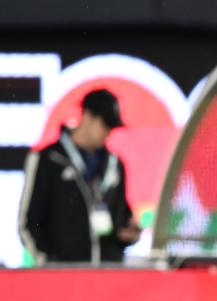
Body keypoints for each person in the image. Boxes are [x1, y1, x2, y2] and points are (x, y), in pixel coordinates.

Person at [19, 88, 140, 264]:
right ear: (87, 116)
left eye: (111, 127)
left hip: (108, 276)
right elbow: (28, 223)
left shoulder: (115, 164)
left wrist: (129, 234)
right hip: (64, 277)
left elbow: (121, 216)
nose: (108, 132)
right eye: (104, 124)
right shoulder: (47, 160)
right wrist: (49, 263)